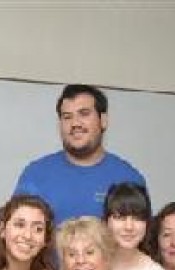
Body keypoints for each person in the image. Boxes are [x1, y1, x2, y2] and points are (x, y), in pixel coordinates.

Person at [13, 84, 146, 224]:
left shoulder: (128, 178)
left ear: (103, 120)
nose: (75, 123)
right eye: (67, 117)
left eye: (84, 113)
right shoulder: (36, 175)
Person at [101, 182, 165, 270]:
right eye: (120, 217)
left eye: (137, 218)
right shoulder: (90, 261)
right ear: (106, 221)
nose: (129, 227)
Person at [0, 194, 63, 270]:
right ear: (2, 230)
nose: (28, 235)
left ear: (46, 239)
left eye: (38, 229)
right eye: (20, 225)